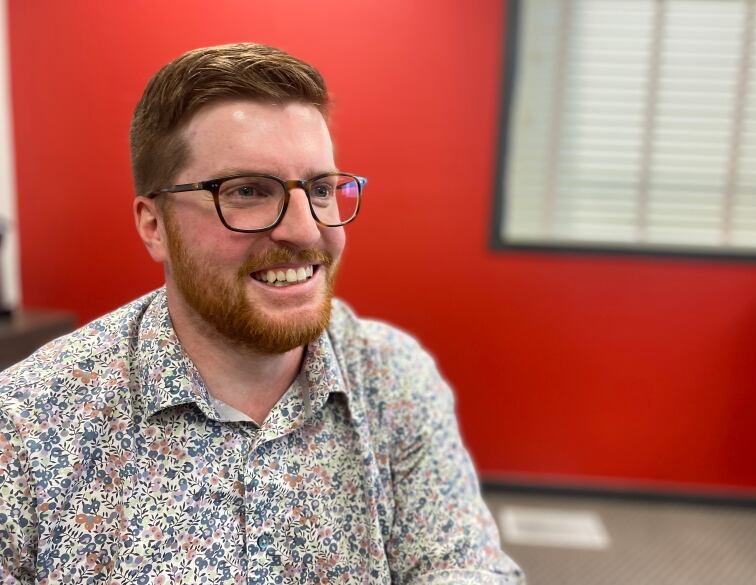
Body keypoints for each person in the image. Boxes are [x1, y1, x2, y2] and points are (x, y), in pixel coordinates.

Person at [0, 43, 523, 584]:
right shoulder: (26, 424)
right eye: (248, 191)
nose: (305, 230)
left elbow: (463, 566)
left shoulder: (392, 378)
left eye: (320, 189)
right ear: (154, 226)